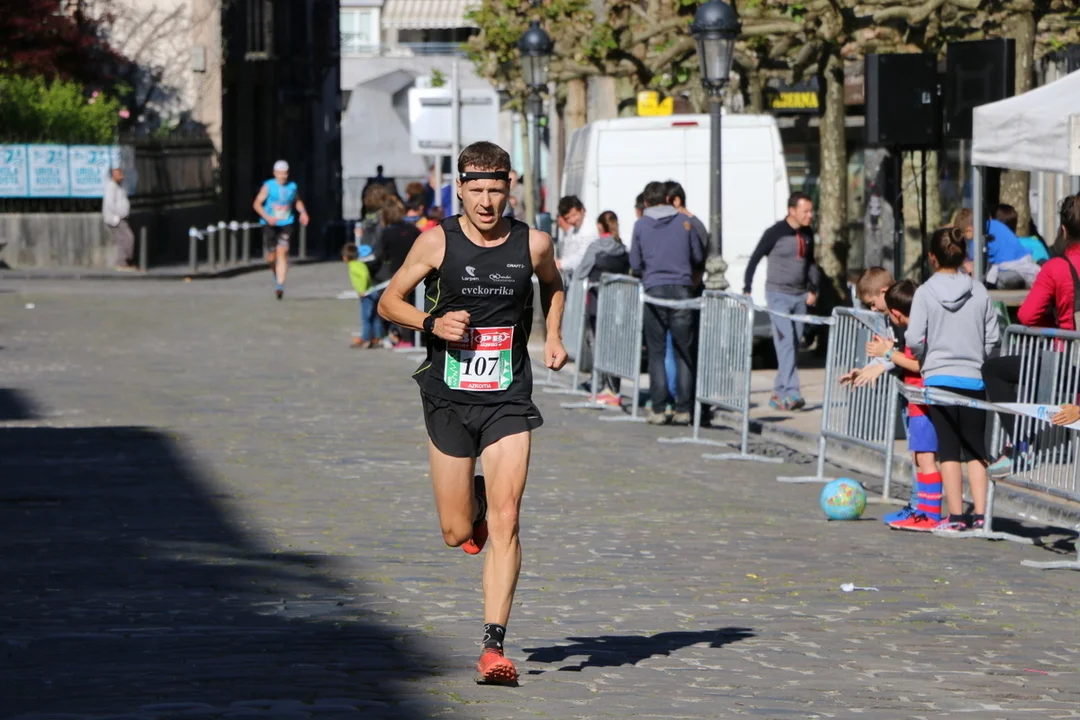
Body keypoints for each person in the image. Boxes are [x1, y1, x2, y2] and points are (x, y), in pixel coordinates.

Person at [377, 141, 567, 685]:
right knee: (455, 529)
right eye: (476, 190)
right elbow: (389, 301)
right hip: (448, 394)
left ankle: (493, 647)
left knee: (509, 520)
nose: (486, 201)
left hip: (508, 395)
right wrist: (432, 323)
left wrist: (553, 335)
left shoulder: (533, 243)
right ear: (459, 188)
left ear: (510, 188)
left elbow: (554, 285)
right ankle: (473, 502)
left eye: (496, 190)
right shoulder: (436, 241)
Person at [906, 226, 999, 532]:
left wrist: (924, 358)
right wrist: (977, 357)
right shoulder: (979, 290)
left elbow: (914, 338)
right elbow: (992, 336)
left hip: (939, 377)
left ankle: (957, 516)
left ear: (932, 258)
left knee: (948, 449)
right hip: (973, 377)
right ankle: (982, 515)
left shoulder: (924, 292)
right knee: (975, 448)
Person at [983, 195, 1080, 474]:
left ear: (1063, 230)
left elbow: (1027, 316)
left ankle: (1021, 444)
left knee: (993, 370)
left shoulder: (1057, 267)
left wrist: (1053, 320)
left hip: (1069, 363)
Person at [864, 280, 943, 532]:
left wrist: (888, 353)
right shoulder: (919, 328)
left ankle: (930, 514)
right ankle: (923, 511)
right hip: (917, 400)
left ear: (897, 313)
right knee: (920, 457)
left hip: (922, 400)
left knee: (926, 458)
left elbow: (920, 365)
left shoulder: (917, 333)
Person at [630, 181, 704, 425]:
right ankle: (684, 409)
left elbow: (635, 262)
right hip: (682, 290)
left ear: (646, 202)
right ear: (668, 199)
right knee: (684, 351)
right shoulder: (685, 223)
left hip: (654, 290)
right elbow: (697, 256)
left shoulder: (641, 225)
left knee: (657, 352)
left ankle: (659, 408)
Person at [744, 192, 821, 411]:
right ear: (792, 211)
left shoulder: (807, 233)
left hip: (800, 296)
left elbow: (811, 263)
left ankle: (778, 393)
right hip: (778, 296)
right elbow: (755, 258)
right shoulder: (775, 233)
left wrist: (813, 289)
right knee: (785, 342)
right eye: (805, 211)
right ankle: (793, 392)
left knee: (793, 344)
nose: (810, 215)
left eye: (811, 211)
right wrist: (747, 288)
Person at [577, 210, 631, 407]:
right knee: (614, 347)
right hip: (618, 304)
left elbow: (581, 271)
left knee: (597, 345)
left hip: (596, 302)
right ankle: (613, 388)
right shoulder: (622, 249)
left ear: (600, 226)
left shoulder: (596, 247)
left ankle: (600, 386)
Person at [253, 160, 310, 300]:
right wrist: (267, 217)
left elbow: (297, 201)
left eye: (285, 173)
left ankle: (280, 285)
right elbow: (257, 204)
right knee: (271, 257)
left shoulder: (292, 186)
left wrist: (303, 213)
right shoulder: (268, 186)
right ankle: (275, 272)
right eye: (280, 173)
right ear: (275, 173)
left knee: (282, 252)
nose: (283, 176)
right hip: (270, 223)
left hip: (286, 222)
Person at [374, 198, 422, 348]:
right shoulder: (413, 229)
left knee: (396, 306)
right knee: (412, 305)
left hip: (396, 272)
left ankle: (403, 339)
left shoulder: (387, 232)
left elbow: (381, 255)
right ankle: (412, 338)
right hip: (416, 271)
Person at [102, 165, 135, 271]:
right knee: (127, 238)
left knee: (124, 239)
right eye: (118, 174)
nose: (122, 176)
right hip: (115, 218)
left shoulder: (120, 186)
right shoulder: (111, 187)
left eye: (121, 173)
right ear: (113, 176)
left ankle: (124, 262)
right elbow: (110, 203)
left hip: (120, 217)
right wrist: (120, 215)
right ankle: (122, 262)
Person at [343, 242, 375, 348]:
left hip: (366, 294)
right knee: (373, 317)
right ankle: (376, 337)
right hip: (371, 291)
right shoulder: (360, 263)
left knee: (366, 317)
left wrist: (362, 290)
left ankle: (366, 338)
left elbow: (364, 275)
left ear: (346, 257)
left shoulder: (353, 266)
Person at [555, 196, 596, 277]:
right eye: (568, 218)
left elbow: (583, 257)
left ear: (582, 210)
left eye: (574, 215)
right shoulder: (574, 229)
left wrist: (561, 263)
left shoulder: (589, 229)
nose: (572, 220)